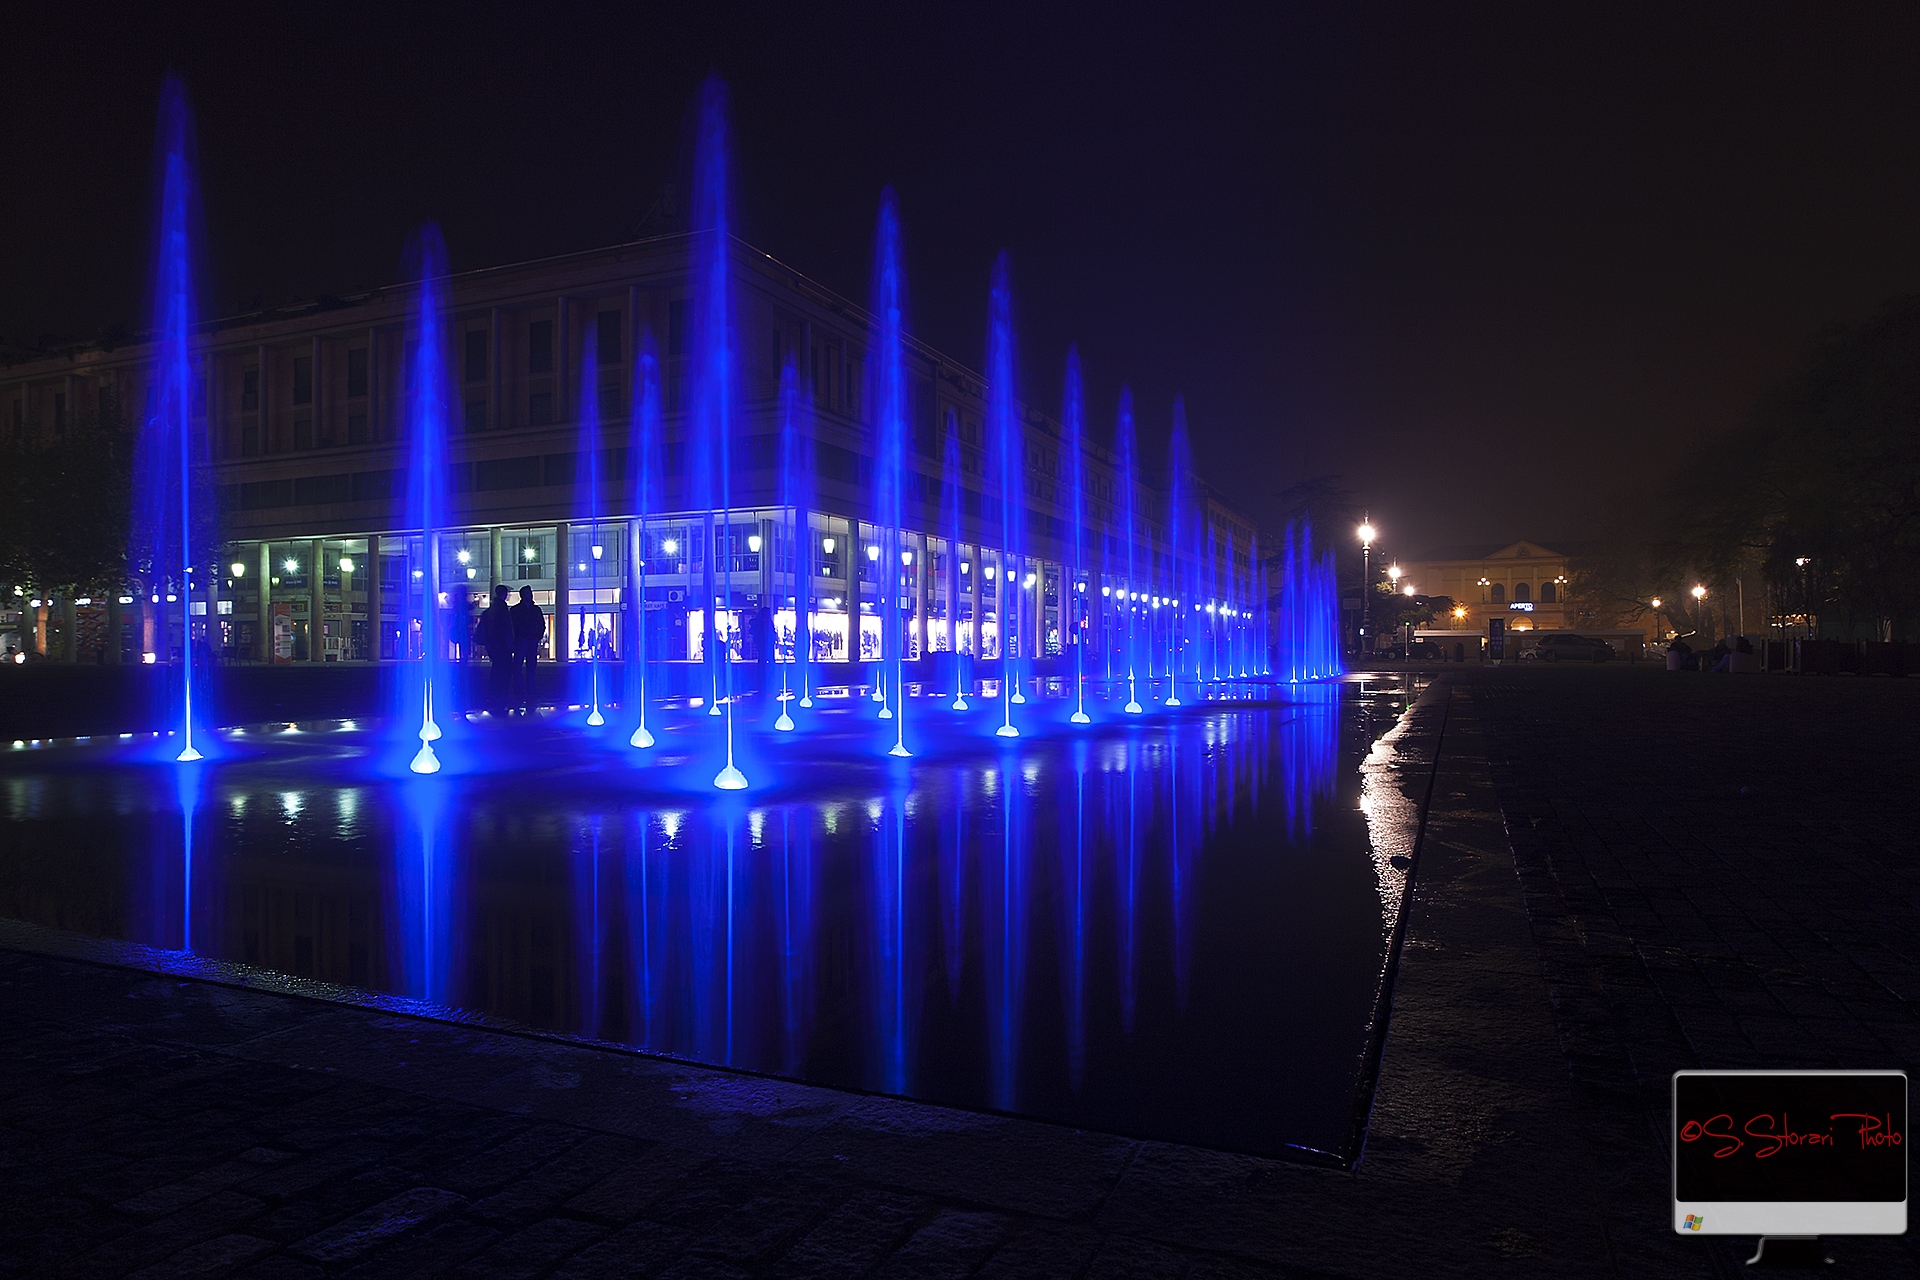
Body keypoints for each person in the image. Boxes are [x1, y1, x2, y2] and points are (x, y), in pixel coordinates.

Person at [478, 584, 515, 711]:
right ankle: (501, 693)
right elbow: (506, 628)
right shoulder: (502, 609)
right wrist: (510, 643)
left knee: (497, 669)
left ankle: (494, 693)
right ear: (503, 594)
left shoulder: (490, 610)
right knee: (505, 670)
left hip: (494, 645)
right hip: (502, 645)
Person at [511, 586, 545, 714]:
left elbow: (541, 625)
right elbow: (513, 626)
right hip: (523, 640)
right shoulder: (520, 610)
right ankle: (521, 690)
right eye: (528, 593)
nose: (530, 595)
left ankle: (528, 689)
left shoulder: (533, 610)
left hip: (530, 640)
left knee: (530, 666)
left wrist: (537, 636)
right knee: (520, 667)